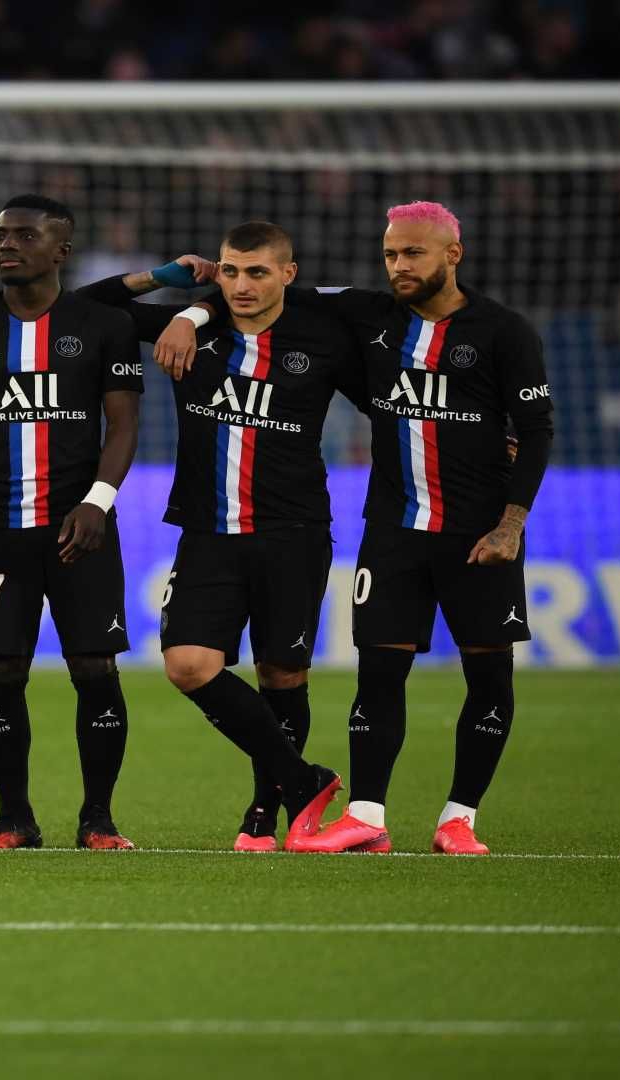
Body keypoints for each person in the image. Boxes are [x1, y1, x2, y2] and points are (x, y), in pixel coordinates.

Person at [153, 202, 554, 855]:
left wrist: (512, 523)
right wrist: (192, 309)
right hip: (392, 527)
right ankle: (365, 814)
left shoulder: (505, 332)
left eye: (414, 254)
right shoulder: (366, 315)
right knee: (377, 676)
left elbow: (536, 433)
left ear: (453, 254)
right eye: (392, 253)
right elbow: (259, 291)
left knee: (489, 678)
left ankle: (459, 818)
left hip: (480, 533)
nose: (399, 266)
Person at [80, 223, 365, 851]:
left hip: (295, 531)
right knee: (188, 664)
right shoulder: (191, 329)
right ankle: (304, 780)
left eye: (258, 272)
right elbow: (86, 306)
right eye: (231, 271)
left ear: (288, 275)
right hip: (209, 531)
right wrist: (173, 291)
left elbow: (388, 400)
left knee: (282, 675)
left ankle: (264, 815)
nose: (241, 285)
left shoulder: (322, 336)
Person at [0, 196, 145, 850]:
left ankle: (98, 819)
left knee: (94, 668)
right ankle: (12, 818)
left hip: (82, 530)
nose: (6, 245)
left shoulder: (103, 326)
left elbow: (124, 422)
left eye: (24, 235)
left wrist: (98, 501)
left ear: (62, 250)